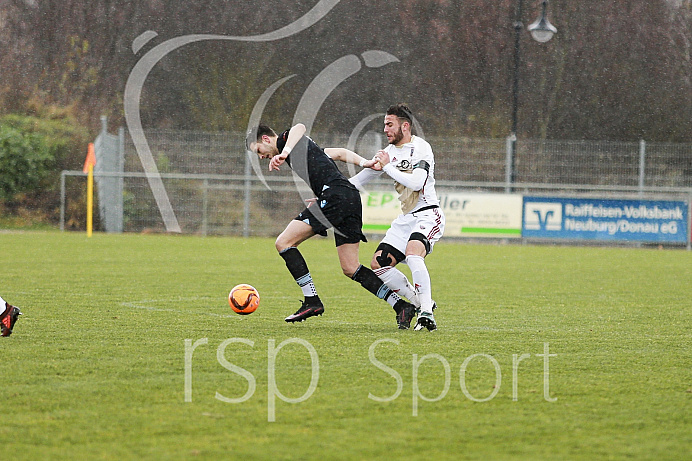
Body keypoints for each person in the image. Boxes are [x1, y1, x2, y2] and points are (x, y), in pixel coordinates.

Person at [246, 123, 418, 328]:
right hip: (348, 197)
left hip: (336, 197)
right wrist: (366, 162)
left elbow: (299, 126)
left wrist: (285, 152)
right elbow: (338, 153)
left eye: (258, 151)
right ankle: (401, 307)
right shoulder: (302, 147)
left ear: (266, 139)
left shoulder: (286, 141)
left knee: (284, 243)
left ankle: (312, 300)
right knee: (350, 267)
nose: (261, 156)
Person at [350, 103, 445, 331]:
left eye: (389, 124)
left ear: (405, 126)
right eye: (384, 125)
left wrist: (387, 167)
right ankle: (422, 303)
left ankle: (426, 314)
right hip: (406, 219)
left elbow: (417, 182)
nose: (385, 129)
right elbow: (359, 181)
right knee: (379, 264)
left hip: (428, 214)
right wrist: (329, 192)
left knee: (413, 254)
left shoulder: (421, 148)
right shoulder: (388, 154)